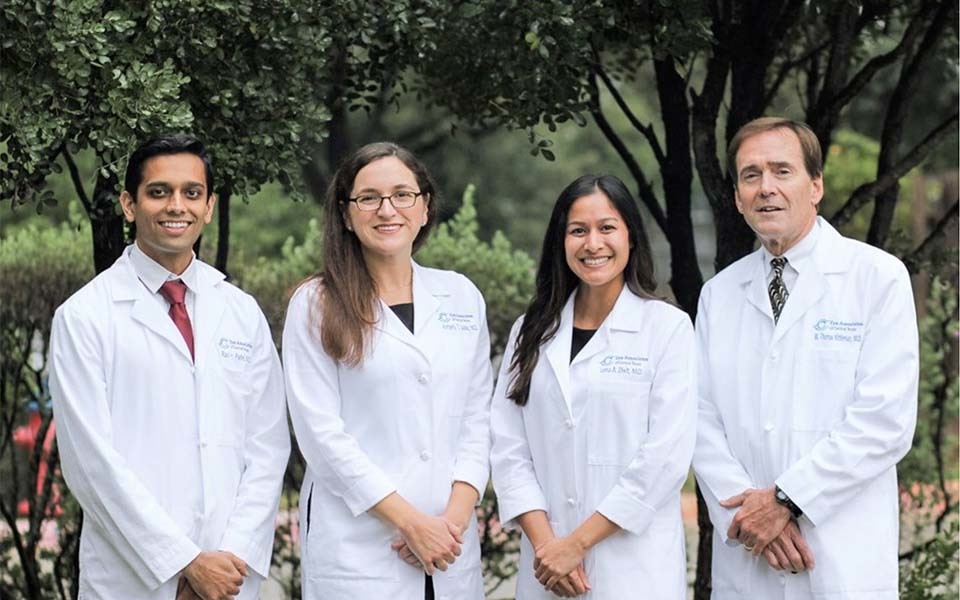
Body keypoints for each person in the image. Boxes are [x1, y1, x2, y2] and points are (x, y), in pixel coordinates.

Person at [49, 135, 290, 600]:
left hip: (230, 577)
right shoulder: (85, 317)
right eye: (158, 192)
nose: (175, 205)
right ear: (129, 204)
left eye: (191, 193)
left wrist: (228, 559)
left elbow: (267, 446)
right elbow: (91, 466)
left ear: (209, 206)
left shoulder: (240, 311)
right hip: (135, 580)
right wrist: (183, 563)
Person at [693, 117, 919, 599]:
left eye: (782, 171)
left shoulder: (876, 278)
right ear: (736, 196)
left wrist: (787, 500)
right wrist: (751, 516)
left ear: (815, 186)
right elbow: (700, 419)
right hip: (749, 555)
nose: (765, 188)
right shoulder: (719, 294)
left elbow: (885, 421)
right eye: (750, 176)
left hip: (841, 555)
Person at [282, 142, 492, 599]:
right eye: (368, 198)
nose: (387, 210)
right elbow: (322, 437)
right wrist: (412, 524)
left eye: (402, 195)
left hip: (450, 548)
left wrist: (449, 526)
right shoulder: (315, 305)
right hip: (363, 552)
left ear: (424, 208)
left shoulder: (460, 296)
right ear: (345, 213)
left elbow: (477, 423)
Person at [490, 174, 696, 599]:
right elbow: (509, 448)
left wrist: (577, 545)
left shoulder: (667, 328)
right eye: (578, 230)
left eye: (607, 228)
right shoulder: (530, 331)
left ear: (631, 237)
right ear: (560, 242)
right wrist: (550, 547)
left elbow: (665, 458)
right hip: (548, 569)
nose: (593, 243)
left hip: (634, 570)